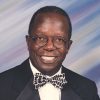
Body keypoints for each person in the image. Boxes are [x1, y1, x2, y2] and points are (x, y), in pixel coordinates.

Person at [0, 6, 99, 100]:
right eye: (41, 38)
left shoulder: (87, 89)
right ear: (28, 42)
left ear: (68, 46)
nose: (49, 46)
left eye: (59, 40)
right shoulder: (2, 86)